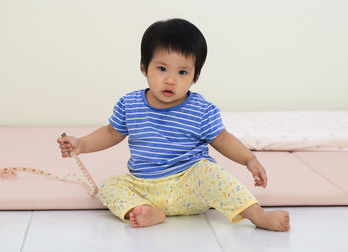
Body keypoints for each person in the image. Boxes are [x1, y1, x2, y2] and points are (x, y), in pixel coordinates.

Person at [57, 18, 290, 231]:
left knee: (211, 173)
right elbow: (110, 133)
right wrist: (81, 144)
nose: (170, 79)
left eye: (182, 72)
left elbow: (222, 139)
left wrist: (249, 159)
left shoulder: (200, 109)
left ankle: (258, 216)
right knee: (108, 187)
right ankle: (146, 211)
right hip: (144, 186)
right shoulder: (129, 104)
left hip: (188, 185)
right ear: (143, 68)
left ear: (194, 77)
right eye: (161, 69)